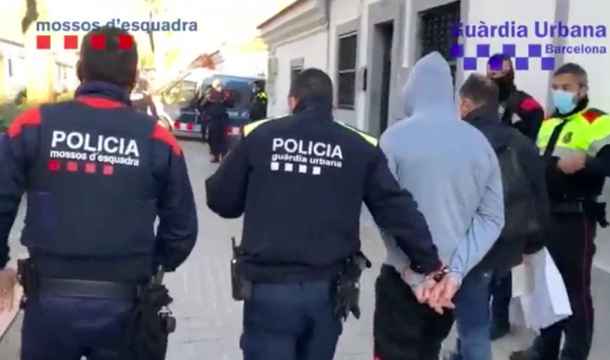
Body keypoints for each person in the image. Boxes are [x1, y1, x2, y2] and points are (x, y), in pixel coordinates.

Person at [205, 68, 455, 360]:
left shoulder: (261, 135)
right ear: (332, 106)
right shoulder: (360, 146)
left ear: (292, 100)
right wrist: (430, 262)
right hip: (328, 292)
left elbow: (221, 201)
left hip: (269, 291)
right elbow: (396, 208)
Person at [0, 27, 198, 360]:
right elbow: (182, 229)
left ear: (80, 70)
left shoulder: (32, 125)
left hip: (49, 304)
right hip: (126, 306)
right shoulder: (157, 139)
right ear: (133, 77)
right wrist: (153, 266)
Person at [374, 53, 504, 360]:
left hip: (404, 282)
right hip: (449, 289)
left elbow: (381, 213)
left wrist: (414, 274)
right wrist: (454, 274)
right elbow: (492, 219)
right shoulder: (479, 144)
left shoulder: (393, 139)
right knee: (429, 351)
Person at [511, 63, 610, 360]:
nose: (560, 93)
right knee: (546, 289)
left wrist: (588, 162)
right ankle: (545, 350)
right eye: (556, 87)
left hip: (575, 220)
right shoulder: (548, 123)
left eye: (567, 88)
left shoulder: (596, 121)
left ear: (582, 90)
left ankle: (573, 354)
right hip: (544, 218)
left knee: (574, 292)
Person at [443, 74, 550, 360]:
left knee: (474, 324)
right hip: (510, 245)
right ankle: (461, 354)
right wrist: (533, 244)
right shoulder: (522, 142)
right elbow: (540, 196)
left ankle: (468, 354)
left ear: (466, 104)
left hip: (471, 247)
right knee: (480, 311)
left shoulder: (458, 139)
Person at [486, 53, 546, 339]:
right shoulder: (485, 104)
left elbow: (536, 133)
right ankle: (488, 314)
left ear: (510, 72)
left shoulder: (524, 103)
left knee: (506, 260)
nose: (495, 77)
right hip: (486, 186)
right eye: (491, 73)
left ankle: (499, 319)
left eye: (500, 72)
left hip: (513, 189)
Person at [200, 82, 231, 163]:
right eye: (217, 85)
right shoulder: (209, 93)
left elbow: (231, 104)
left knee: (223, 139)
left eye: (220, 85)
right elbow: (202, 105)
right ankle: (215, 156)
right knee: (212, 139)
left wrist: (227, 98)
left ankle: (223, 156)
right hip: (213, 120)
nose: (219, 87)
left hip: (223, 120)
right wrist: (207, 98)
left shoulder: (225, 94)